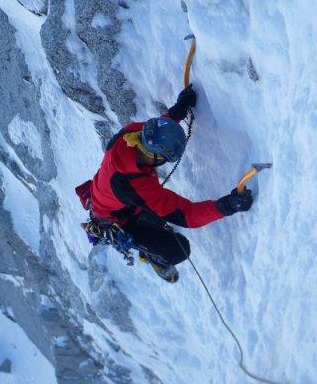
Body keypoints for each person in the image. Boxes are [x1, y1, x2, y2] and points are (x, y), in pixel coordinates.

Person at [76, 85, 253, 282]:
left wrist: (178, 110)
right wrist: (227, 206)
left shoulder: (131, 133)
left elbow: (158, 131)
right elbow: (187, 215)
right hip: (119, 219)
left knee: (159, 218)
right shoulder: (135, 185)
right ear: (155, 158)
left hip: (113, 200)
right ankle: (154, 257)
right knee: (178, 249)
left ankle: (150, 226)